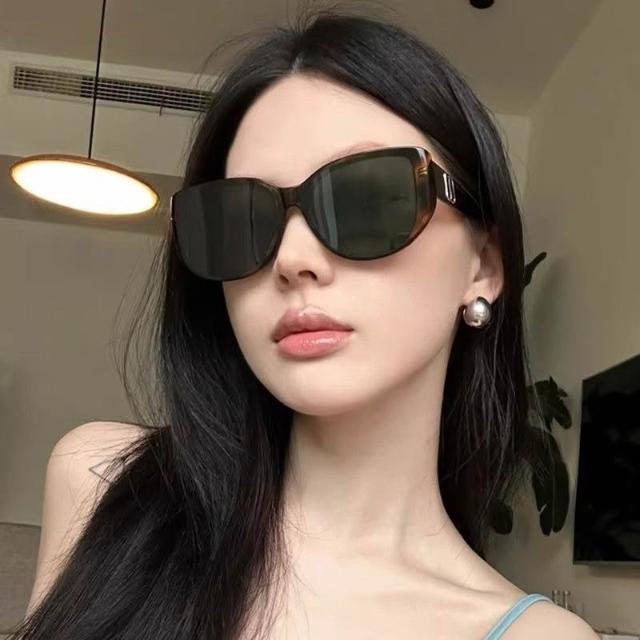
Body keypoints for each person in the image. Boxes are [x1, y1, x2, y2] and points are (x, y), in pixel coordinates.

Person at [12, 6, 599, 640]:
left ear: (482, 265)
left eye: (367, 199)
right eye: (241, 219)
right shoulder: (101, 481)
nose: (291, 259)